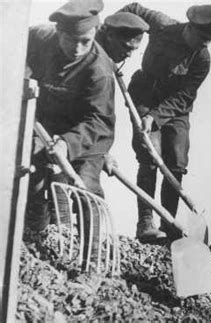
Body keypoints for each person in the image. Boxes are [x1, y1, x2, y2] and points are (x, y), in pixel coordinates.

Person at [116, 2, 211, 243]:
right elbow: (132, 8)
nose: (205, 44)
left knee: (176, 163)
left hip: (176, 109)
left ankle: (168, 224)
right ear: (189, 28)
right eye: (202, 37)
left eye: (210, 40)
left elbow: (184, 96)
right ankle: (145, 222)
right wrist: (112, 37)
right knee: (150, 155)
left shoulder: (202, 59)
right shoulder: (162, 25)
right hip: (145, 94)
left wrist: (154, 117)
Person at [25, 0, 115, 233]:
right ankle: (36, 226)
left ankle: (91, 255)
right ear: (58, 32)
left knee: (86, 186)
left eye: (85, 42)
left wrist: (68, 143)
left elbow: (98, 119)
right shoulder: (41, 37)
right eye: (69, 40)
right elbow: (11, 47)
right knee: (30, 165)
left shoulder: (99, 70)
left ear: (95, 32)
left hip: (87, 134)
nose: (77, 49)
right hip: (45, 122)